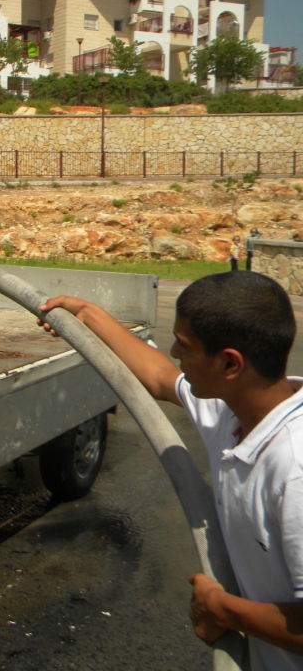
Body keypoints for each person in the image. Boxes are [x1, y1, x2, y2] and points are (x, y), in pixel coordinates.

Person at [37, 271, 303, 670]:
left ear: (230, 363)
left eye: (186, 344)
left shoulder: (294, 469)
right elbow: (160, 377)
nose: (174, 351)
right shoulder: (232, 409)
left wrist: (223, 608)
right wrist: (86, 313)